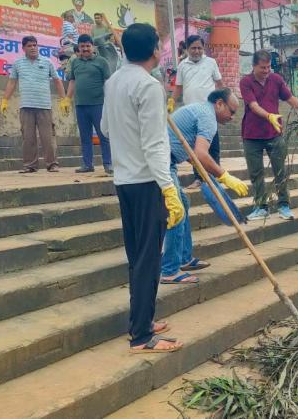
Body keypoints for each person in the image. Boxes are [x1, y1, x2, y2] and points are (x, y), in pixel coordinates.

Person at [100, 22, 184, 353]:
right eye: (159, 47)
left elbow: (106, 129)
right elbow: (154, 145)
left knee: (138, 256)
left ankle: (142, 320)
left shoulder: (113, 81)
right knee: (149, 258)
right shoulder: (149, 86)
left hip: (124, 181)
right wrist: (169, 188)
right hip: (148, 182)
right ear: (154, 51)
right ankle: (142, 337)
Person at [161, 88, 249, 284]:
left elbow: (190, 152)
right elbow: (201, 154)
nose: (232, 117)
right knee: (177, 210)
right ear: (219, 104)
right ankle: (169, 270)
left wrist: (207, 174)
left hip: (167, 158)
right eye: (231, 111)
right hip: (162, 160)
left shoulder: (201, 110)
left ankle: (184, 258)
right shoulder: (208, 117)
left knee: (183, 204)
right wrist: (225, 176)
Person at [240, 49, 298, 221]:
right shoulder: (246, 82)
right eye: (262, 67)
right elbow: (253, 105)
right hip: (251, 134)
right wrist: (269, 116)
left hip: (274, 133)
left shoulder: (276, 79)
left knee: (280, 171)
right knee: (256, 173)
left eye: (268, 67)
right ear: (254, 66)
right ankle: (261, 206)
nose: (266, 71)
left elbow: (290, 98)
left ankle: (284, 205)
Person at [1, 35, 71, 173]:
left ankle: (52, 164)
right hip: (26, 106)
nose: (33, 48)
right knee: (28, 138)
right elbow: (12, 82)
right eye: (29, 46)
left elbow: (57, 81)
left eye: (35, 45)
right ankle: (30, 165)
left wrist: (64, 99)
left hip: (44, 106)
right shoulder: (18, 63)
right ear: (23, 48)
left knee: (48, 137)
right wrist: (5, 100)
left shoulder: (47, 62)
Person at [169, 35, 224, 189]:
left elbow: (219, 83)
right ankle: (199, 178)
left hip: (209, 112)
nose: (197, 51)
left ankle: (216, 176)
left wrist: (223, 102)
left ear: (203, 48)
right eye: (193, 48)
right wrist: (172, 101)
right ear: (187, 49)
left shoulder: (211, 62)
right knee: (194, 149)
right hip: (191, 115)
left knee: (213, 146)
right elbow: (178, 87)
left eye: (200, 48)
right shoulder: (182, 65)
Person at [66, 34, 112, 174]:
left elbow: (108, 82)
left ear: (93, 47)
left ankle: (108, 164)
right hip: (80, 105)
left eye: (87, 46)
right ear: (78, 48)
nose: (85, 49)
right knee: (85, 137)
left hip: (98, 104)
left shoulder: (102, 62)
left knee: (103, 135)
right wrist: (67, 99)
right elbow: (72, 81)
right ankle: (87, 164)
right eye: (82, 46)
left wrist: (110, 100)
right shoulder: (75, 62)